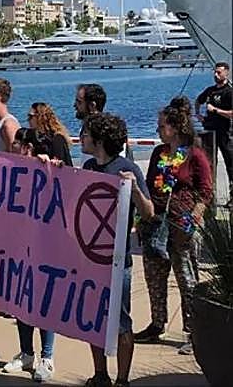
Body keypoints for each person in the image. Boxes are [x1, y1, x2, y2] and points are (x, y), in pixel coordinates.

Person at [80, 113, 154, 387]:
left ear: (99, 140)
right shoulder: (88, 166)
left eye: (85, 134)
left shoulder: (127, 168)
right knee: (92, 319)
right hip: (90, 259)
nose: (82, 138)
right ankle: (100, 374)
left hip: (117, 260)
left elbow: (148, 212)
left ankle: (122, 379)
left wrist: (134, 190)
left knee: (121, 320)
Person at [135, 96, 213, 355]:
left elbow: (206, 191)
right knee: (155, 278)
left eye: (161, 127)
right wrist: (142, 217)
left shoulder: (195, 154)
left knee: (187, 281)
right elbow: (149, 185)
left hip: (182, 227)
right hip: (156, 224)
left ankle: (195, 332)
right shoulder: (159, 152)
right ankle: (158, 324)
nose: (158, 130)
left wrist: (192, 220)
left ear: (175, 127)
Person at [3, 127, 61, 382]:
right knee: (21, 300)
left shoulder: (45, 168)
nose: (12, 146)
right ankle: (27, 353)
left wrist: (49, 165)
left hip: (44, 245)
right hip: (18, 242)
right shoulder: (11, 168)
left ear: (27, 146)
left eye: (17, 143)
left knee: (43, 302)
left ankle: (47, 358)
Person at [195, 61, 233, 206]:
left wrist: (216, 110)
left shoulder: (229, 92)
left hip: (225, 132)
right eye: (215, 72)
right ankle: (209, 195)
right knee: (208, 164)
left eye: (219, 72)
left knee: (230, 163)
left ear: (226, 73)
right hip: (210, 132)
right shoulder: (210, 91)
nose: (216, 75)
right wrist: (198, 114)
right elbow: (198, 100)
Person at [26, 102, 73, 166]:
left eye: (30, 116)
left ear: (40, 117)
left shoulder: (57, 139)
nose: (28, 119)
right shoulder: (36, 138)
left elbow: (61, 165)